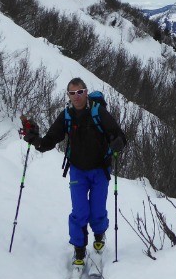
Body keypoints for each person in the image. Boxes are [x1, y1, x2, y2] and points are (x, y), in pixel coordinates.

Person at [21, 78, 127, 266]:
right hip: (78, 170)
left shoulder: (98, 112)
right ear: (68, 95)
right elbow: (51, 139)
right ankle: (79, 250)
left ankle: (99, 235)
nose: (76, 97)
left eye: (80, 92)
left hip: (100, 169)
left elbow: (118, 134)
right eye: (72, 93)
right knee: (79, 211)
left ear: (86, 92)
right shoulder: (67, 115)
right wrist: (35, 140)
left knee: (97, 210)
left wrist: (117, 142)